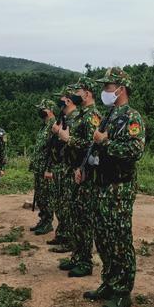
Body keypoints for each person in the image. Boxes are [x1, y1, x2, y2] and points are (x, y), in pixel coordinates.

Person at [83, 67, 145, 307]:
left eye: (108, 87)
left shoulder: (132, 117)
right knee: (103, 237)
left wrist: (105, 142)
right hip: (102, 184)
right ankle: (108, 283)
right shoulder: (109, 115)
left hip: (120, 187)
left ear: (121, 89)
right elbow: (96, 146)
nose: (104, 91)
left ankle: (122, 292)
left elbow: (135, 151)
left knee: (119, 238)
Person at [57, 76, 101, 277]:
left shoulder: (92, 116)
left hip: (86, 175)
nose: (74, 94)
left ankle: (85, 261)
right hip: (75, 171)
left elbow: (94, 147)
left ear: (87, 93)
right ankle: (77, 256)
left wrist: (69, 139)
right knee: (75, 217)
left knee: (83, 219)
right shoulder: (82, 114)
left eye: (78, 91)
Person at [46, 84, 80, 253]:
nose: (59, 101)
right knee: (60, 203)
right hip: (61, 166)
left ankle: (69, 239)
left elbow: (74, 143)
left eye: (61, 98)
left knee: (68, 205)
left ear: (68, 100)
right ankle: (62, 234)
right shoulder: (63, 118)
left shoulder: (76, 118)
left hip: (69, 168)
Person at [28, 99, 56, 235]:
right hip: (38, 167)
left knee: (47, 197)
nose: (40, 111)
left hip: (46, 168)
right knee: (40, 196)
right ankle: (43, 220)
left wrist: (49, 169)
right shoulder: (44, 125)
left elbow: (53, 150)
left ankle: (48, 222)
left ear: (49, 110)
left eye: (42, 108)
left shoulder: (54, 125)